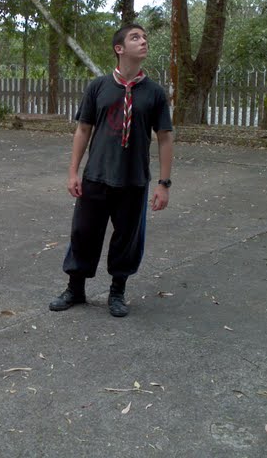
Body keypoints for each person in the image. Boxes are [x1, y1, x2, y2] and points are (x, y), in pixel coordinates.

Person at [49, 23, 173, 317]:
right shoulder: (98, 87)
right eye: (135, 37)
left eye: (144, 37)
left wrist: (164, 183)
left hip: (133, 179)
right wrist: (73, 172)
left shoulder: (154, 93)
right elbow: (83, 130)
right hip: (96, 176)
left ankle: (117, 291)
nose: (143, 41)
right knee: (83, 233)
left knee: (127, 238)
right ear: (119, 49)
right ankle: (75, 288)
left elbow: (165, 138)